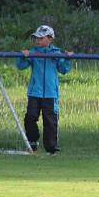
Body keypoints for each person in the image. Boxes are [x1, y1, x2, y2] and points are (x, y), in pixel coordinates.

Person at [15, 25, 73, 155]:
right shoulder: (33, 52)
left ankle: (51, 147)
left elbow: (64, 69)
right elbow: (20, 66)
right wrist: (23, 56)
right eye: (36, 38)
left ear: (50, 39)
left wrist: (68, 59)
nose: (38, 40)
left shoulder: (56, 53)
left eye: (41, 38)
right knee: (30, 116)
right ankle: (32, 142)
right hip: (34, 92)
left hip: (51, 93)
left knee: (50, 121)